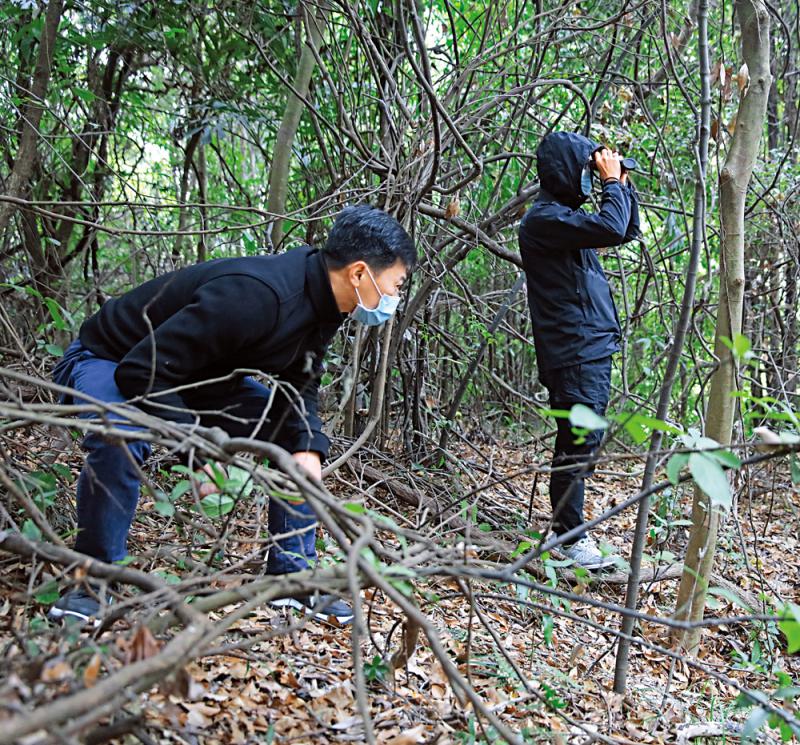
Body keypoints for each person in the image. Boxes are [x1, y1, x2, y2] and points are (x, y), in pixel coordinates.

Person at [48, 205, 415, 625]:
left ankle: (292, 578)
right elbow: (142, 368)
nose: (394, 298)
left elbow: (302, 383)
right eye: (397, 284)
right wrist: (199, 454)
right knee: (123, 435)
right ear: (359, 273)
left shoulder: (325, 304)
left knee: (292, 431)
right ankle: (91, 582)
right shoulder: (258, 295)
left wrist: (307, 445)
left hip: (189, 373)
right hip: (111, 359)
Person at [519, 131, 640, 570]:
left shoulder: (564, 222)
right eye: (587, 168)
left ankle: (567, 532)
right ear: (566, 169)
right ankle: (569, 539)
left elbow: (625, 230)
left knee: (584, 441)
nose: (591, 178)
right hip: (572, 350)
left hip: (589, 346)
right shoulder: (542, 220)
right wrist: (609, 185)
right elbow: (609, 226)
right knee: (577, 441)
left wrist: (622, 182)